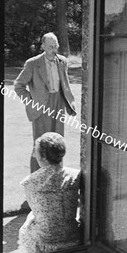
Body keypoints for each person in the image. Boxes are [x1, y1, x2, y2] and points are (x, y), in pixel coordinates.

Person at [14, 32, 76, 172]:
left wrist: (70, 103)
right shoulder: (33, 64)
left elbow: (65, 84)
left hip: (58, 105)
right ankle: (35, 179)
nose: (54, 50)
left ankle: (56, 176)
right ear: (43, 46)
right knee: (40, 145)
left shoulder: (62, 61)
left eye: (56, 46)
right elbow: (19, 86)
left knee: (58, 143)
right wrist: (31, 102)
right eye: (50, 47)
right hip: (40, 108)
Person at [18, 132, 81, 253]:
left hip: (45, 244)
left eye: (36, 152)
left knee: (28, 223)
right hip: (74, 239)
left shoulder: (30, 181)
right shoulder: (76, 175)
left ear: (43, 157)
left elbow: (35, 209)